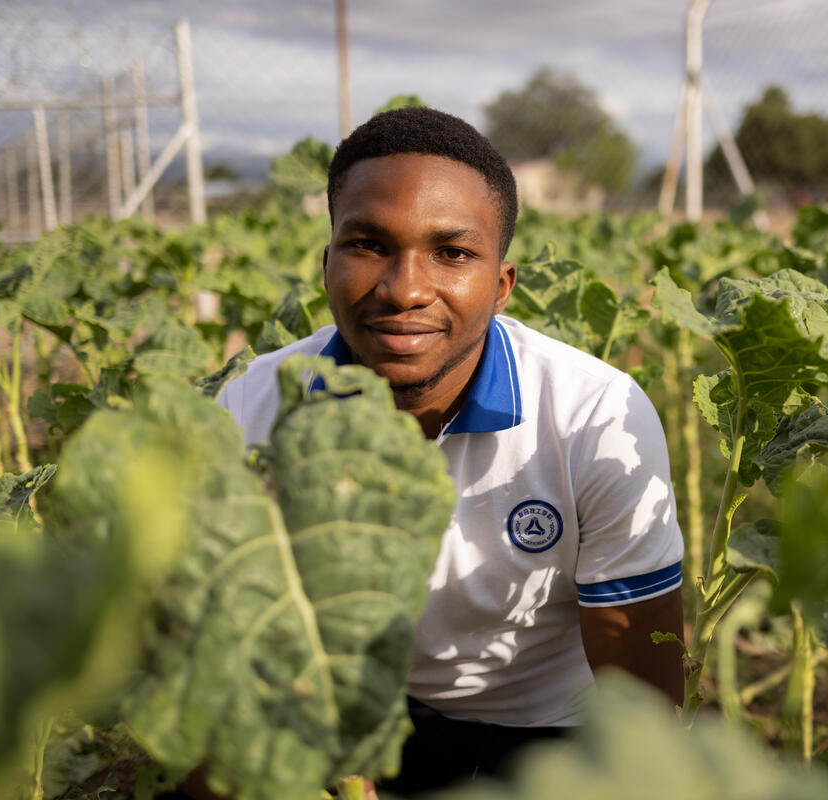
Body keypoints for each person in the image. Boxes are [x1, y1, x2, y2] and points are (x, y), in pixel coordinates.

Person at [216, 107, 684, 795]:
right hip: (347, 726)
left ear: (501, 286)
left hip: (548, 738)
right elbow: (218, 663)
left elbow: (642, 710)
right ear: (326, 263)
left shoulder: (596, 416)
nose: (404, 289)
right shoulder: (255, 406)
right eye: (368, 245)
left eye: (452, 253)